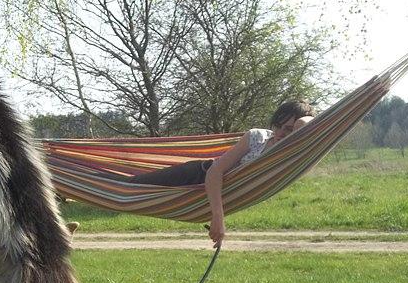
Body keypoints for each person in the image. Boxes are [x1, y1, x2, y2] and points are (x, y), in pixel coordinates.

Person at [127, 100, 315, 247]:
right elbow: (215, 171)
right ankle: (97, 182)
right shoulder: (258, 137)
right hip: (197, 175)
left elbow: (309, 125)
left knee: (131, 190)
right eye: (278, 125)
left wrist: (304, 115)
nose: (280, 133)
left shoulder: (292, 155)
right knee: (129, 187)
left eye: (289, 129)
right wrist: (217, 216)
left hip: (206, 193)